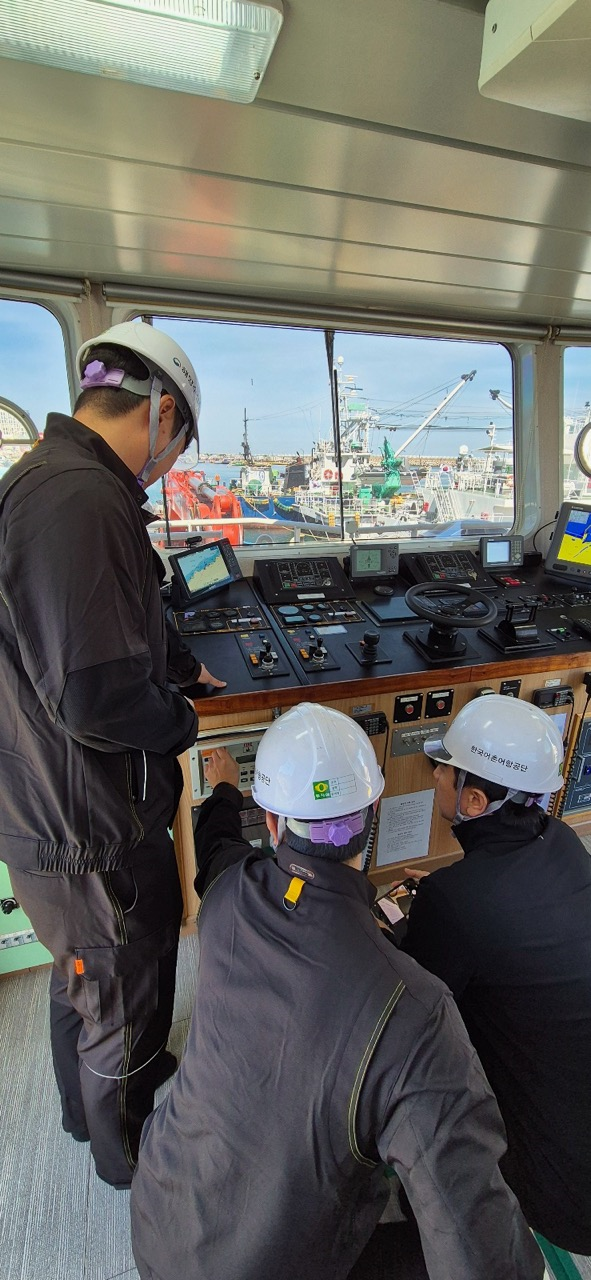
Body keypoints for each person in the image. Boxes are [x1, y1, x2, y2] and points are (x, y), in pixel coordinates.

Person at [130, 702, 543, 1280]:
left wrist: (225, 790)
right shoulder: (417, 1014)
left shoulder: (226, 895)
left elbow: (217, 842)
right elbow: (481, 1259)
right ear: (373, 810)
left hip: (157, 1220)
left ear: (271, 824)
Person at [0, 320, 225, 1189]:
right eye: (179, 442)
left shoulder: (64, 487)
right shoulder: (79, 500)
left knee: (85, 976)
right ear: (162, 412)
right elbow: (93, 694)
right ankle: (127, 1152)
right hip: (87, 819)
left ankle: (81, 1106)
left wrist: (174, 664)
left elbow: (101, 628)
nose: (170, 460)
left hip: (60, 805)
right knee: (117, 991)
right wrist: (180, 722)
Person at [399, 694, 591, 1253]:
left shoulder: (457, 903)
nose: (436, 775)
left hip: (564, 1195)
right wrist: (445, 896)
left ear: (474, 799)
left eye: (445, 770)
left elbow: (414, 1007)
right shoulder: (562, 840)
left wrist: (390, 929)